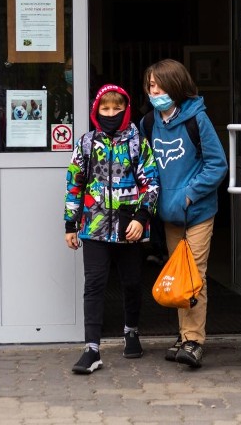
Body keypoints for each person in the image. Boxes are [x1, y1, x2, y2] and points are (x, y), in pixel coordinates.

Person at [64, 84, 159, 374]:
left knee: (131, 282)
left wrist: (141, 218)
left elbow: (151, 183)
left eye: (117, 108)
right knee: (94, 285)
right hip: (93, 227)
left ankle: (131, 330)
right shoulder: (85, 144)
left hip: (129, 227)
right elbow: (74, 184)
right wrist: (70, 223)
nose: (111, 113)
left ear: (125, 109)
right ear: (96, 111)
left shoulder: (137, 143)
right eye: (105, 109)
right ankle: (91, 349)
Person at [141, 59, 228, 369]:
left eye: (160, 85)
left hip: (198, 210)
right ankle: (184, 335)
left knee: (194, 274)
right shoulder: (149, 123)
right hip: (168, 213)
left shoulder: (196, 120)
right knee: (178, 273)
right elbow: (146, 166)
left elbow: (218, 165)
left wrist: (190, 195)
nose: (155, 91)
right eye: (151, 85)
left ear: (175, 86)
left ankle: (193, 340)